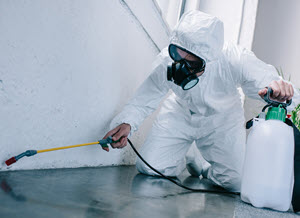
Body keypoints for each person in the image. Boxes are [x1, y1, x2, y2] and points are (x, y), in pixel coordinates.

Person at [102, 10, 299, 192]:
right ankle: (184, 153)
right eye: (177, 54)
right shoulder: (166, 62)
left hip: (222, 120)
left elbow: (268, 82)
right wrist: (127, 122)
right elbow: (143, 99)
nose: (181, 66)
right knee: (150, 167)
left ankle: (202, 164)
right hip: (180, 113)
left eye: (192, 62)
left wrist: (279, 91)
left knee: (235, 182)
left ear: (209, 58)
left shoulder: (235, 59)